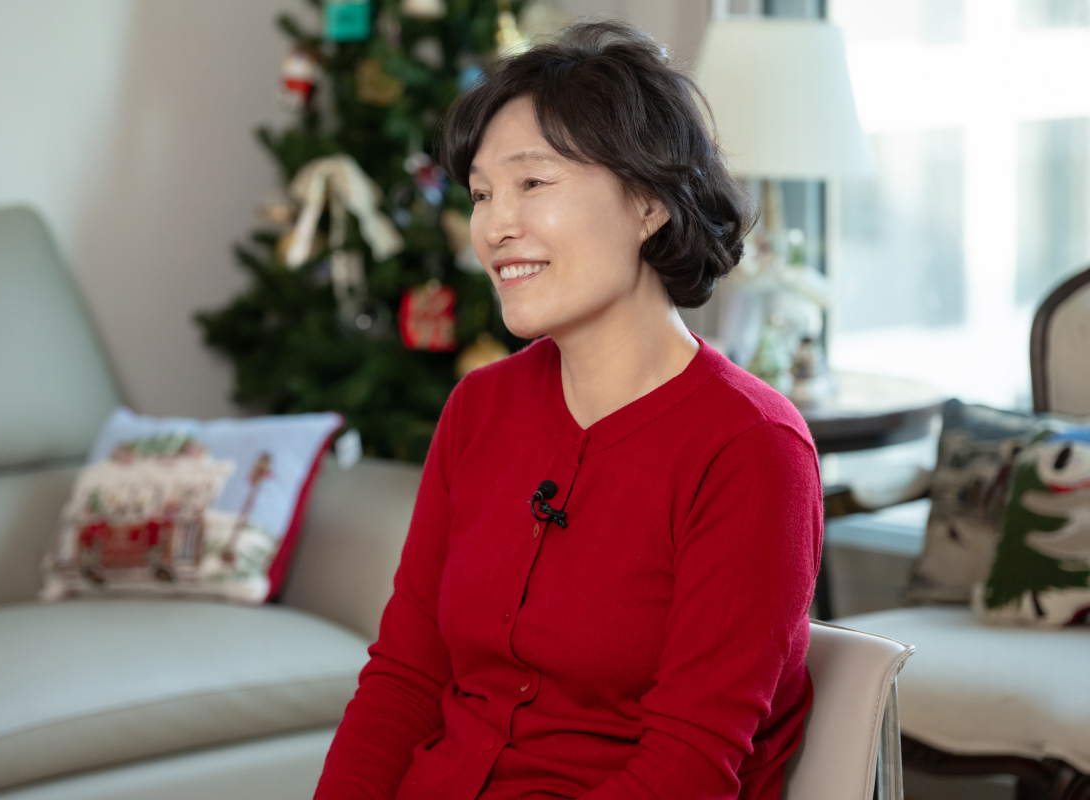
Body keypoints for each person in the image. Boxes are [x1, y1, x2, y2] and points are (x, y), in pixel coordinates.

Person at [315, 20, 823, 800]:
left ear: (648, 201)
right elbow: (405, 678)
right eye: (482, 194)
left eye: (533, 183)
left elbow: (688, 767)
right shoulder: (480, 408)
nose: (495, 226)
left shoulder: (752, 449)